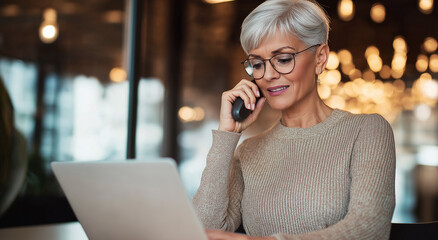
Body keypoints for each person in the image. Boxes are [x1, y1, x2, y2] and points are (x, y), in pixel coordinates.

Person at [193, 0, 396, 239]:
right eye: (257, 64)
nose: (268, 75)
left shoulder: (367, 131)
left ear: (320, 58)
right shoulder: (248, 151)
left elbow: (369, 229)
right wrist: (227, 135)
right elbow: (204, 229)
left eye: (283, 59)